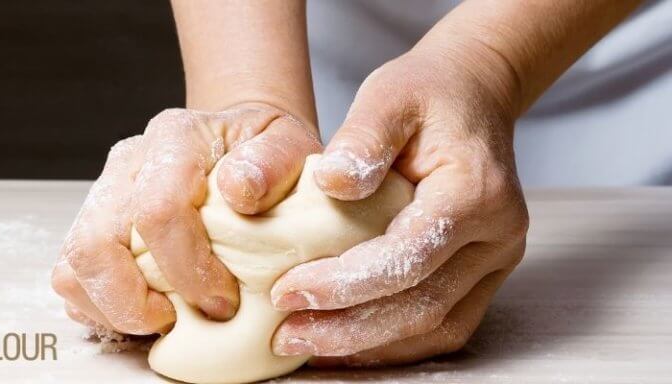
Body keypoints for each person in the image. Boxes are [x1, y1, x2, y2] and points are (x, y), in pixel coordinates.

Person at [52, 0, 651, 367]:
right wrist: (249, 95)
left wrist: (489, 59)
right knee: (314, 198)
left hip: (634, 84)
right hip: (310, 43)